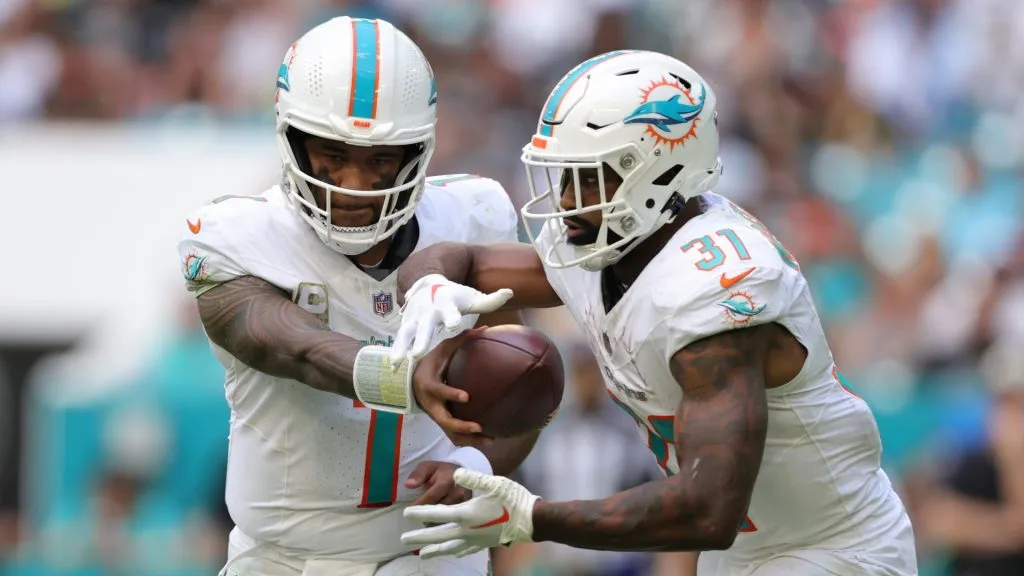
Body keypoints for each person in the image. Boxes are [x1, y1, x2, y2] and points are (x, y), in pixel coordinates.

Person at [387, 50, 918, 575]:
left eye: (591, 178)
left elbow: (709, 509)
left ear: (661, 173)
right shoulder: (613, 240)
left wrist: (529, 515)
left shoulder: (712, 292)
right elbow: (465, 261)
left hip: (835, 548)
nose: (569, 201)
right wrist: (429, 289)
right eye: (565, 177)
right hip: (741, 552)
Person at [177, 16, 537, 576]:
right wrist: (402, 378)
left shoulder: (472, 217)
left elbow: (519, 390)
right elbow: (296, 348)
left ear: (417, 151)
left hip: (430, 560)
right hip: (281, 563)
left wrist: (478, 466)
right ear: (291, 138)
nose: (353, 184)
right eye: (333, 153)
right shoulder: (235, 236)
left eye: (379, 160)